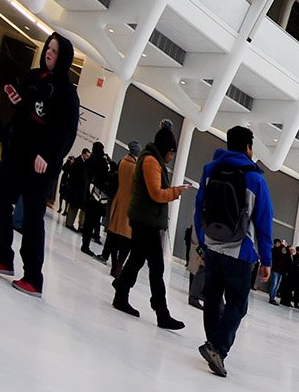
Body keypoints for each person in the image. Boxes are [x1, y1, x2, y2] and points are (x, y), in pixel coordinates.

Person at [0, 31, 80, 297]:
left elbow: (65, 132)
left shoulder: (67, 93)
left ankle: (34, 277)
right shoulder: (33, 77)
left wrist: (47, 156)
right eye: (49, 47)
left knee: (33, 217)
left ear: (64, 57)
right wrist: (17, 106)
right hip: (18, 153)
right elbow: (27, 112)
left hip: (40, 162)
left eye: (55, 50)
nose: (49, 52)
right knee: (1, 194)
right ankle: (3, 255)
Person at [193, 124, 274, 376]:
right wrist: (266, 259)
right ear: (248, 148)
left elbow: (199, 209)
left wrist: (203, 241)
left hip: (213, 245)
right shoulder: (255, 179)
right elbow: (263, 222)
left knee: (213, 298)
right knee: (237, 303)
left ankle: (213, 345)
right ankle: (217, 347)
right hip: (240, 252)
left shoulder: (210, 170)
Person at [110, 119, 189, 328]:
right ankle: (161, 312)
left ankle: (121, 290)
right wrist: (176, 192)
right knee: (156, 266)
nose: (172, 157)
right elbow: (156, 193)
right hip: (146, 220)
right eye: (171, 152)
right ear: (166, 149)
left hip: (144, 218)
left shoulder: (150, 160)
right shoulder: (151, 162)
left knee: (136, 259)